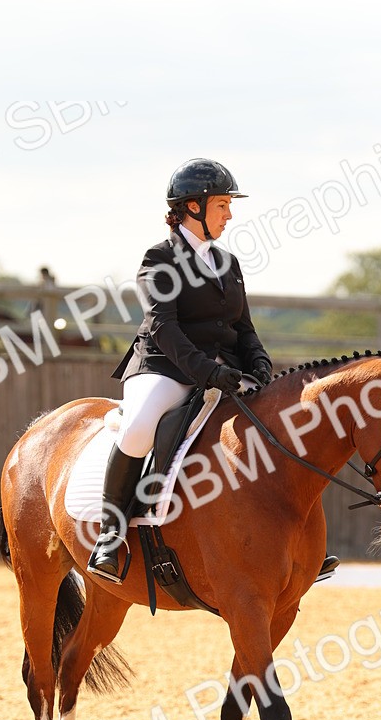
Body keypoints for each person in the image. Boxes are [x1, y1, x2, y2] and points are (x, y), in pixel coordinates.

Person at [87, 158, 274, 582]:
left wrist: (259, 359)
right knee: (138, 427)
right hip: (165, 367)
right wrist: (207, 371)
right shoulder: (160, 258)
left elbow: (242, 326)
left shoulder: (227, 262)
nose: (230, 215)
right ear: (193, 207)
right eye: (222, 205)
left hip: (224, 368)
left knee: (278, 421)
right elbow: (163, 327)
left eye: (229, 205)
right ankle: (110, 535)